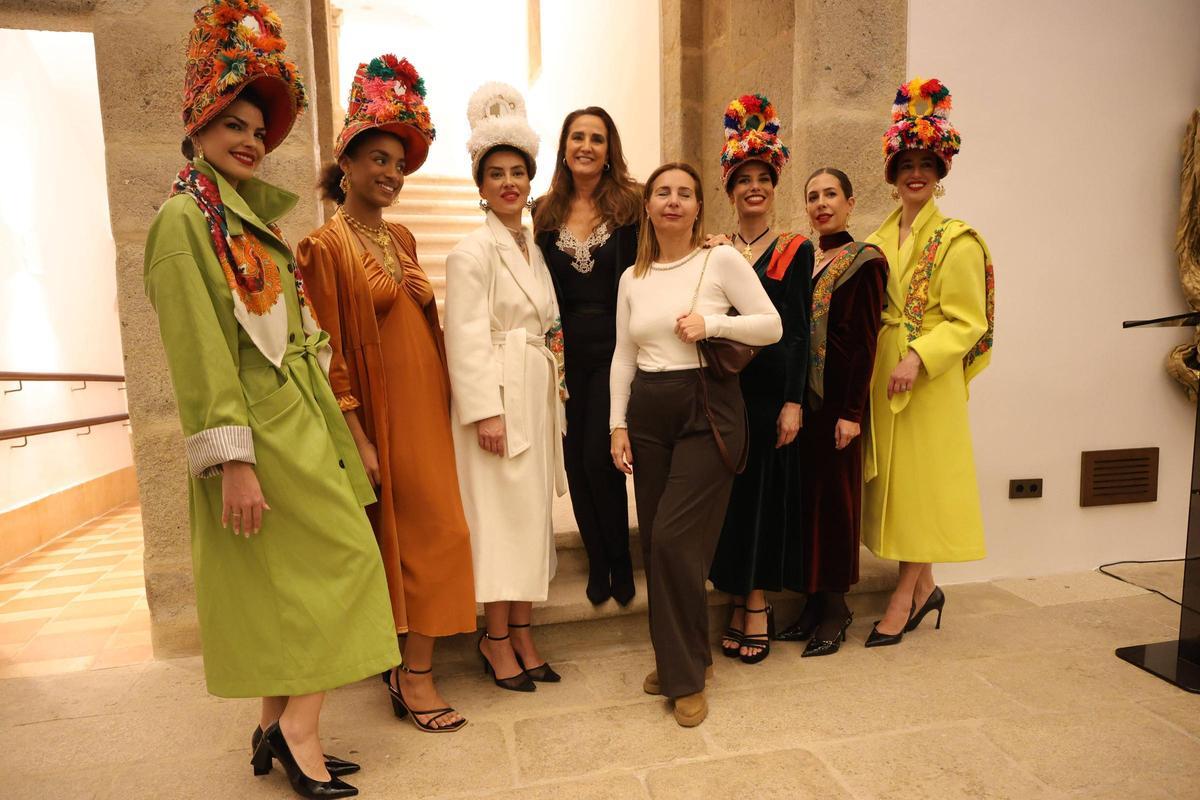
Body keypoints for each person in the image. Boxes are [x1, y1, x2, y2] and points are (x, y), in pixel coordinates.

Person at [144, 2, 398, 797]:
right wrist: (233, 463)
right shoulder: (185, 220)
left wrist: (345, 430)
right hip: (261, 433)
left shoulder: (244, 218)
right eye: (232, 123)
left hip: (300, 420)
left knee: (285, 584)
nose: (249, 138)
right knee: (345, 567)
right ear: (198, 123)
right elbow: (199, 351)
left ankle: (268, 725)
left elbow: (302, 335)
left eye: (258, 126)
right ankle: (299, 731)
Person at [297, 54, 476, 733]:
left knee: (437, 535)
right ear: (345, 160)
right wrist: (357, 436)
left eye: (399, 164)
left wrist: (425, 302)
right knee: (424, 539)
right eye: (378, 158)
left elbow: (411, 322)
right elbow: (328, 352)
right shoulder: (322, 247)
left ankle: (406, 665)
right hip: (381, 414)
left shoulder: (399, 235)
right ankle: (414, 673)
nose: (391, 175)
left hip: (426, 408)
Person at [609, 162, 782, 726]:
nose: (674, 201)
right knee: (659, 543)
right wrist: (617, 424)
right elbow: (623, 356)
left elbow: (771, 324)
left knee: (674, 540)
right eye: (663, 193)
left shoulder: (720, 258)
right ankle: (684, 655)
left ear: (698, 207)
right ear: (649, 206)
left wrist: (714, 326)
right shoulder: (631, 279)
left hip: (708, 406)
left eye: (685, 192)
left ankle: (683, 678)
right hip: (650, 410)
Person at [862, 77, 995, 646]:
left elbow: (969, 320)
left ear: (940, 172)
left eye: (926, 163)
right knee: (899, 486)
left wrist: (918, 356)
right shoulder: (877, 235)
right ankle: (926, 585)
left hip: (926, 381)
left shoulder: (957, 240)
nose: (916, 172)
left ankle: (902, 600)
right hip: (880, 375)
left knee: (922, 488)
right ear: (893, 174)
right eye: (906, 163)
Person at [444, 83, 567, 692]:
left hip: (533, 392)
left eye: (518, 172)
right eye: (496, 173)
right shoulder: (472, 251)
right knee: (498, 521)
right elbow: (464, 337)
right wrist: (485, 413)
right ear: (480, 182)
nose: (509, 183)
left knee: (530, 519)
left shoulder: (533, 246)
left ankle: (522, 630)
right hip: (497, 397)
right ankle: (494, 638)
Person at [706, 94, 813, 665]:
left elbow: (797, 331)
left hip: (772, 395)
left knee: (763, 499)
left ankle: (756, 603)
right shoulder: (715, 251)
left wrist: (794, 402)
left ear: (774, 188)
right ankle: (737, 594)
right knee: (730, 497)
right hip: (726, 392)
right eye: (743, 179)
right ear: (729, 190)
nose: (753, 187)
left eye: (762, 179)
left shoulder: (796, 249)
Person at [774, 167, 886, 656]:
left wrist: (852, 412)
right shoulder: (806, 257)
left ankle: (837, 609)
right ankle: (812, 606)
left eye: (831, 195)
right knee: (808, 506)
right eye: (813, 197)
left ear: (850, 202)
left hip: (838, 405)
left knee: (836, 508)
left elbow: (863, 344)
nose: (822, 204)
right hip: (805, 405)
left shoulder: (865, 261)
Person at [533, 107, 641, 606]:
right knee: (574, 462)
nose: (586, 146)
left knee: (601, 460)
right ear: (564, 146)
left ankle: (621, 561)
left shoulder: (630, 205)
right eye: (577, 136)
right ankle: (598, 562)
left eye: (597, 139)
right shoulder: (544, 211)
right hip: (560, 351)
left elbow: (656, 260)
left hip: (614, 347)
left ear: (608, 149)